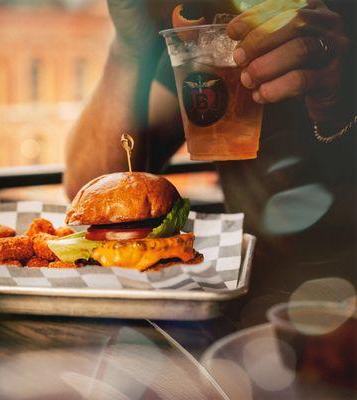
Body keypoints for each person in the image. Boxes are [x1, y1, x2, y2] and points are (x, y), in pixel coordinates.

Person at [64, 0, 356, 316]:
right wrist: (130, 47)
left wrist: (343, 102)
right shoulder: (213, 31)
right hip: (252, 304)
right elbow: (91, 189)